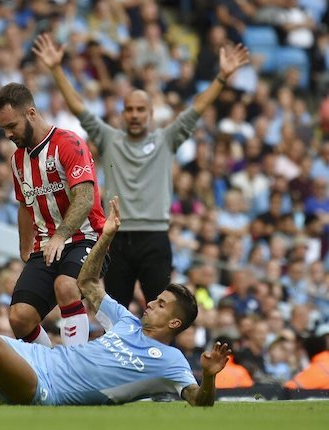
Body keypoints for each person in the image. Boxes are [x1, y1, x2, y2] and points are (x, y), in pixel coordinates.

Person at [0, 197, 232, 406]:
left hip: (52, 391)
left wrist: (211, 378)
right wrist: (105, 236)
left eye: (163, 304)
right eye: (158, 297)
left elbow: (199, 400)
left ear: (174, 323)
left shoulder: (170, 362)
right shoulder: (125, 320)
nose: (152, 302)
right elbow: (87, 281)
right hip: (44, 358)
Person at [33, 33, 250, 308]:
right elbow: (78, 107)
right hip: (117, 237)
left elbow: (197, 107)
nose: (134, 114)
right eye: (129, 110)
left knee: (161, 310)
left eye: (140, 110)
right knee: (116, 312)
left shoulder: (166, 139)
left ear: (150, 114)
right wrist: (55, 68)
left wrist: (221, 77)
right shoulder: (109, 138)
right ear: (123, 114)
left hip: (155, 236)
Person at [0, 82, 107, 346]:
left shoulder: (69, 143)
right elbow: (24, 204)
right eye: (2, 129)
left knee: (66, 287)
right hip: (46, 245)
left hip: (86, 237)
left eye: (11, 126)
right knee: (19, 318)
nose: (7, 134)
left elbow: (85, 198)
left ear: (31, 113)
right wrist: (24, 247)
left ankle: (74, 369)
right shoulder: (17, 160)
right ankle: (49, 369)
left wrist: (60, 235)